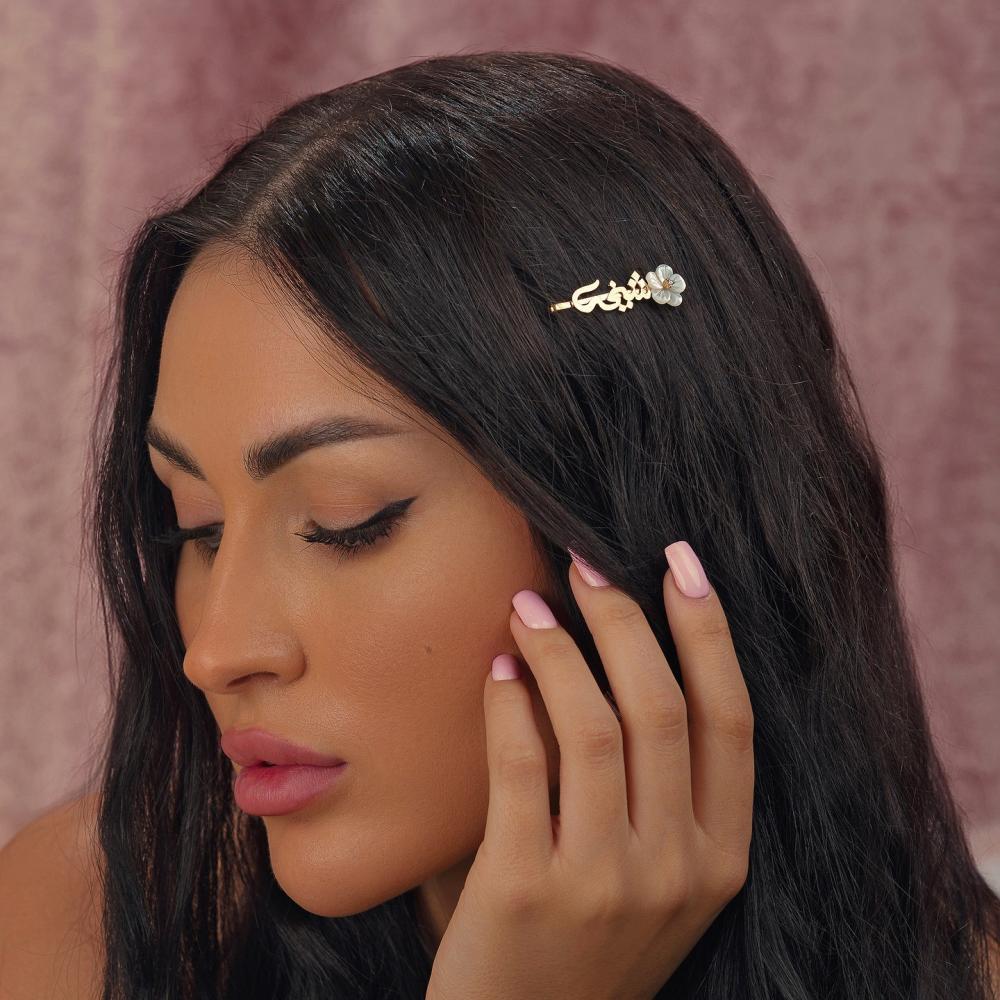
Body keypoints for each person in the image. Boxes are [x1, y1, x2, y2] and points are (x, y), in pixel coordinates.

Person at [2, 49, 998, 999]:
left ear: (634, 528)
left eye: (347, 523)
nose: (215, 651)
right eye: (197, 529)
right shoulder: (86, 926)